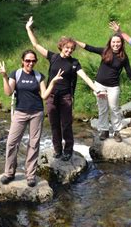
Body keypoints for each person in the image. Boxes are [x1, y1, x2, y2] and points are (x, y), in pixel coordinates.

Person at [25, 16, 102, 161]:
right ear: (61, 47)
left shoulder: (74, 63)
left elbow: (85, 77)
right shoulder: (53, 57)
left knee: (66, 124)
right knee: (54, 125)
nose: (69, 50)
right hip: (51, 96)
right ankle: (57, 150)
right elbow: (36, 45)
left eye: (72, 49)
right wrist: (28, 28)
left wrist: (96, 89)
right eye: (67, 48)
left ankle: (68, 150)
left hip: (66, 97)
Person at [0, 50, 63, 187]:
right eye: (27, 60)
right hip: (20, 112)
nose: (30, 63)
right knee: (11, 142)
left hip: (36, 113)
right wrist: (4, 76)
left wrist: (53, 82)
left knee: (33, 144)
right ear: (22, 61)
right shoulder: (16, 74)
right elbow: (8, 92)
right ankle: (9, 173)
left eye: (33, 61)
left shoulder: (39, 76)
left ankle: (30, 175)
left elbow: (44, 95)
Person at [76, 33, 131, 142]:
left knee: (114, 108)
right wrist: (75, 42)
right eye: (114, 42)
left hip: (113, 87)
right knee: (102, 109)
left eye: (118, 42)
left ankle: (117, 131)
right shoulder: (105, 51)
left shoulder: (123, 57)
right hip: (99, 85)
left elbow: (130, 73)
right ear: (110, 43)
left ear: (121, 43)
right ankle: (104, 130)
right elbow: (89, 48)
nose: (116, 44)